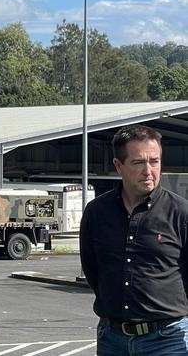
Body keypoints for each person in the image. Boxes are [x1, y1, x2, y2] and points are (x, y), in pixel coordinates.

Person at [80, 124, 188, 355]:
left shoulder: (181, 213)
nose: (148, 171)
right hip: (112, 339)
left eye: (154, 161)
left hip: (168, 339)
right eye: (139, 162)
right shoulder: (97, 212)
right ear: (118, 166)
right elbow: (92, 270)